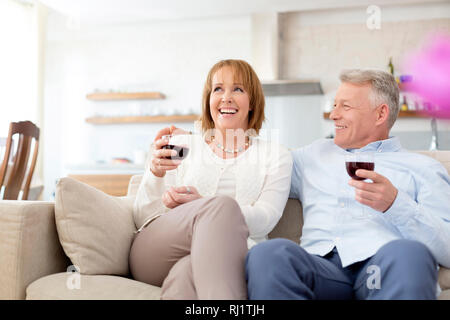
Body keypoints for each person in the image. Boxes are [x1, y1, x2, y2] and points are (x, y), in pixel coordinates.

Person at [246, 69, 450, 300]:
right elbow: (252, 168)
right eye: (334, 105)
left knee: (409, 254)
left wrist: (396, 204)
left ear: (380, 114)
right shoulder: (312, 155)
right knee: (268, 254)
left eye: (345, 106)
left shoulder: (423, 167)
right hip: (320, 270)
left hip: (383, 269)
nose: (333, 115)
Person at [129, 59, 293, 300]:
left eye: (237, 89)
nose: (226, 97)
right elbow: (143, 217)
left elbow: (266, 220)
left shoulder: (276, 155)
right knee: (222, 206)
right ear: (208, 100)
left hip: (226, 256)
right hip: (158, 250)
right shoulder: (182, 145)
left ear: (253, 102)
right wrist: (155, 174)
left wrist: (206, 206)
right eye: (218, 89)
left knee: (186, 273)